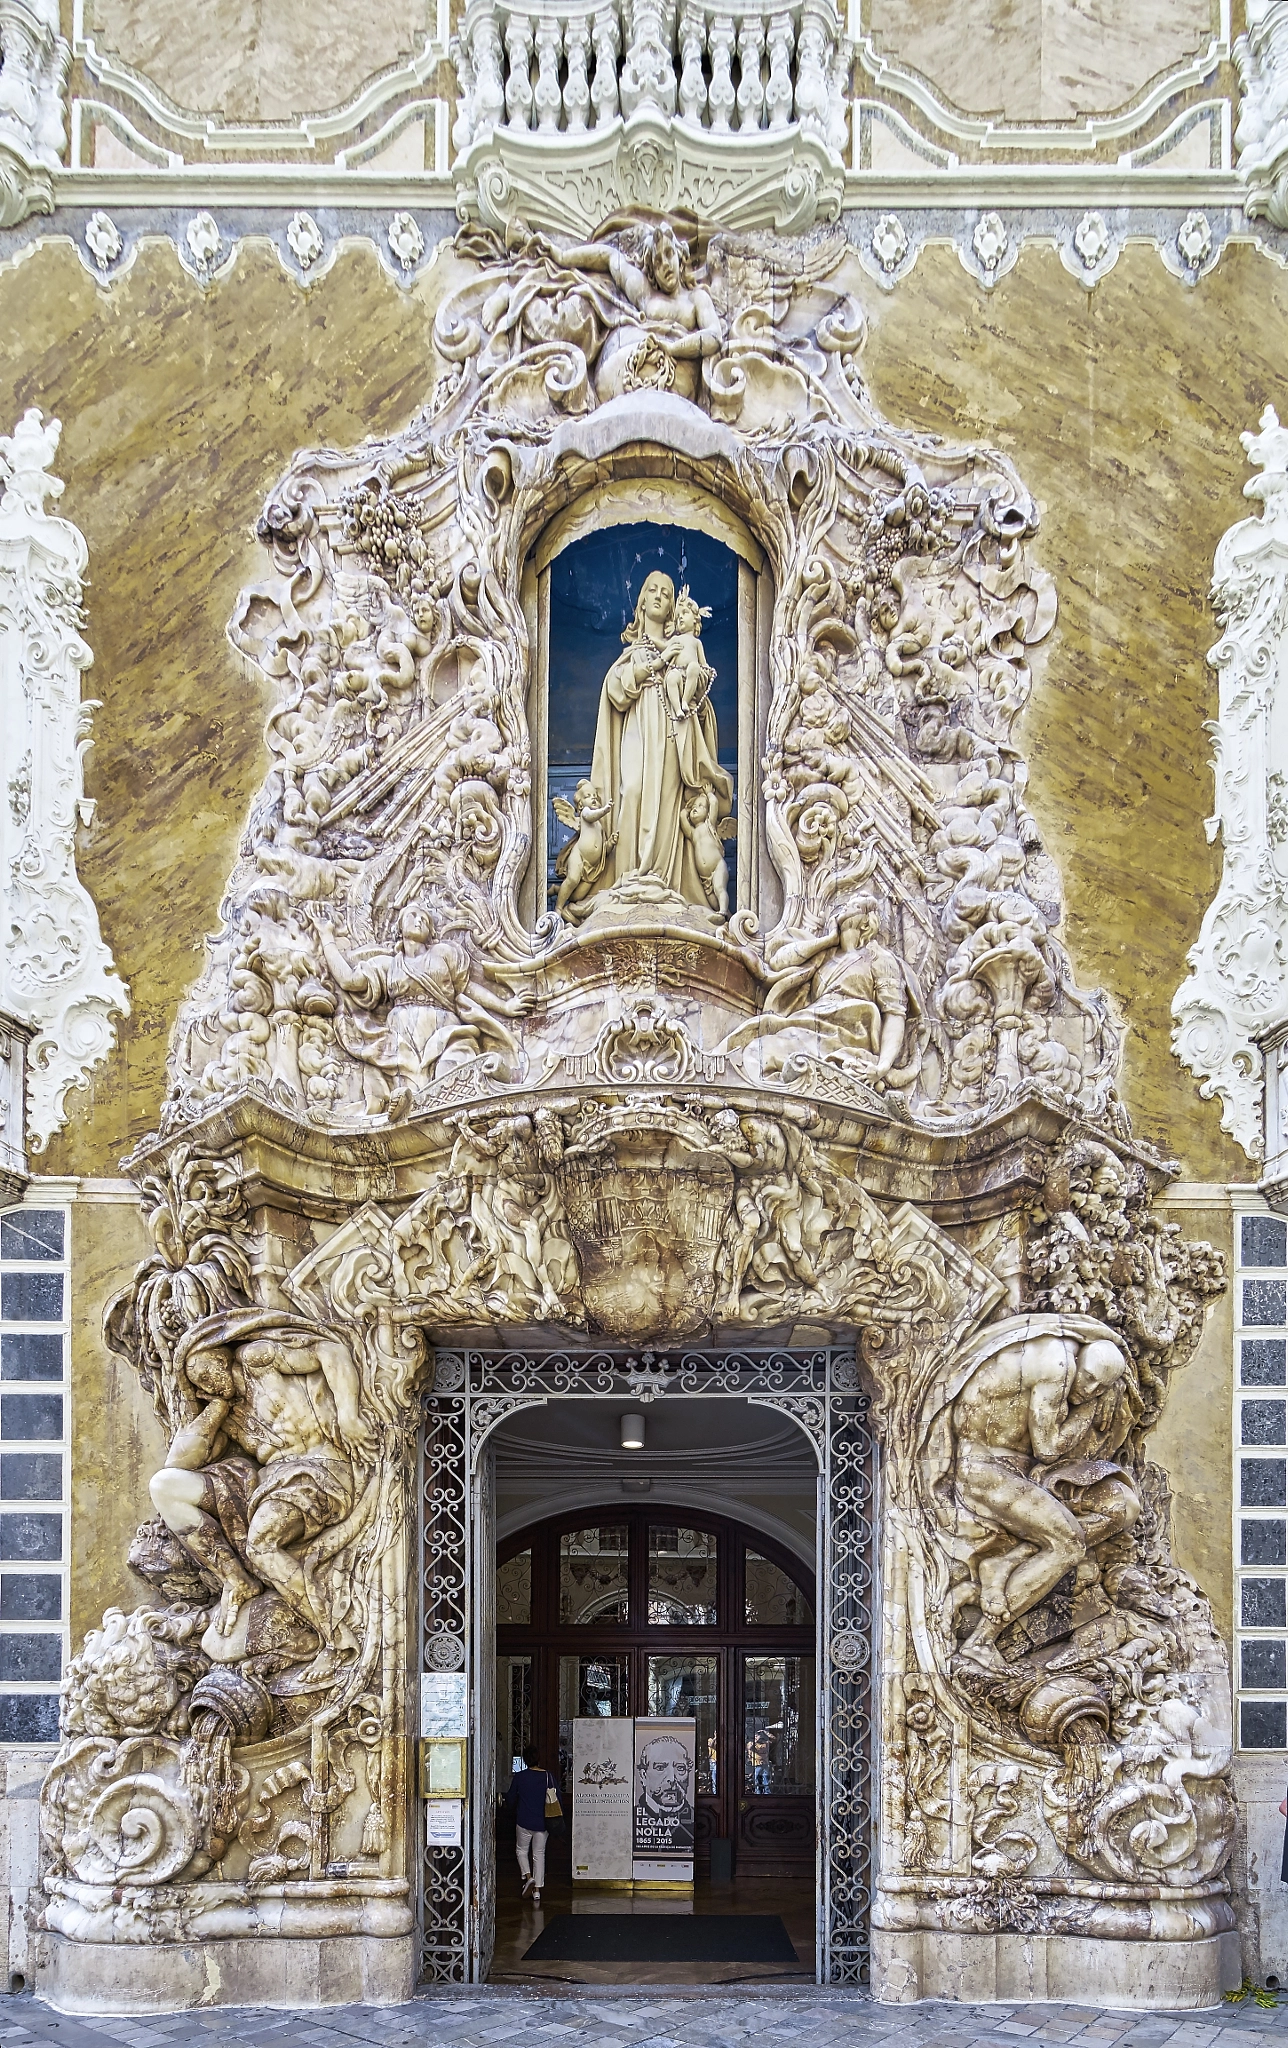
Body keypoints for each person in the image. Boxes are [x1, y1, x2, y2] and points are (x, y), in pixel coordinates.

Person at [587, 570, 731, 910]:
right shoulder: (633, 651)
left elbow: (697, 690)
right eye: (651, 590)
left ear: (672, 609)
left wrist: (691, 697)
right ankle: (628, 876)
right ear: (641, 602)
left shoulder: (683, 645)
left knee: (667, 796)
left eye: (666, 594)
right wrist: (653, 665)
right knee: (633, 788)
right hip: (637, 722)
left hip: (670, 728)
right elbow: (616, 691)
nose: (658, 596)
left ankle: (658, 878)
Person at [501, 1744, 561, 1905]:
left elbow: (511, 1798)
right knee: (539, 1855)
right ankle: (537, 1891)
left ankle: (528, 1877)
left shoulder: (520, 1777)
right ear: (538, 1759)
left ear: (525, 1760)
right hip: (543, 1822)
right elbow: (557, 1798)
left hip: (524, 1821)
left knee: (521, 1850)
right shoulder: (548, 1776)